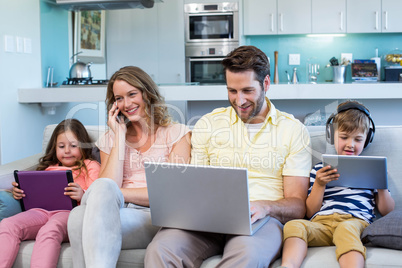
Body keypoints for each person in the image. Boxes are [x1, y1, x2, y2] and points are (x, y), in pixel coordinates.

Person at [145, 45, 312, 267]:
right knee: (160, 250)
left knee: (247, 256)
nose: (239, 101)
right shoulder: (208, 124)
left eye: (247, 91)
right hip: (206, 220)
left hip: (261, 220)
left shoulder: (293, 130)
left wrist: (265, 207)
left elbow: (297, 204)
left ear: (266, 84)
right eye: (232, 91)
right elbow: (195, 183)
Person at [67, 66, 191, 268]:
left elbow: (170, 194)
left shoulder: (177, 134)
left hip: (155, 216)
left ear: (147, 94)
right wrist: (120, 137)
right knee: (76, 217)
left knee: (88, 208)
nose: (126, 104)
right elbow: (107, 185)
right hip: (115, 211)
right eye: (119, 98)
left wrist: (117, 193)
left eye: (132, 94)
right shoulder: (111, 138)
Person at [280, 100, 395, 268]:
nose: (350, 144)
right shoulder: (319, 169)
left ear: (367, 140)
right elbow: (310, 211)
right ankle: (288, 265)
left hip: (355, 222)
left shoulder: (372, 169)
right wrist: (319, 184)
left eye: (358, 139)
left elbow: (387, 210)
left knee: (346, 229)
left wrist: (382, 185)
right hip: (322, 224)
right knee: (294, 225)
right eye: (344, 137)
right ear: (332, 136)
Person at [0, 119, 100, 268]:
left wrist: (83, 193)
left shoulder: (90, 165)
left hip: (69, 214)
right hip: (40, 211)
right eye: (61, 146)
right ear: (55, 148)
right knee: (7, 224)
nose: (67, 150)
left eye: (73, 146)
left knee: (50, 229)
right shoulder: (47, 168)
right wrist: (18, 192)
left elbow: (99, 193)